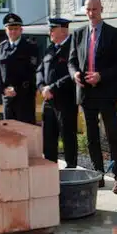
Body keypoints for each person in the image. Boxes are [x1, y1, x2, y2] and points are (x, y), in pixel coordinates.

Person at [68, 0, 117, 194]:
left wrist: (101, 76)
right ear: (85, 11)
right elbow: (71, 61)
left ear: (101, 9)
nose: (92, 13)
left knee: (112, 137)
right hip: (86, 94)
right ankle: (98, 175)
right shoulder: (78, 34)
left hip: (107, 92)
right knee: (92, 138)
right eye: (88, 10)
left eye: (95, 9)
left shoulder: (114, 34)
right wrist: (74, 73)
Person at [36, 17, 78, 167]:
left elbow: (72, 74)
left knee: (68, 137)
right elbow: (40, 70)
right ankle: (50, 168)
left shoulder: (73, 48)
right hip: (48, 100)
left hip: (65, 100)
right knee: (48, 137)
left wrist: (53, 88)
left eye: (53, 29)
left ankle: (71, 169)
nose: (50, 32)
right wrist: (42, 87)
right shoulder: (50, 48)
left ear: (64, 30)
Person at [0, 13, 40, 124]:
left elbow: (33, 72)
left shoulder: (30, 47)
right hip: (7, 97)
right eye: (10, 29)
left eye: (16, 29)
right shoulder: (2, 47)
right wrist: (3, 89)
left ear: (21, 30)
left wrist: (17, 89)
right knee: (9, 131)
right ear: (6, 30)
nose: (13, 31)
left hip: (24, 97)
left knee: (26, 130)